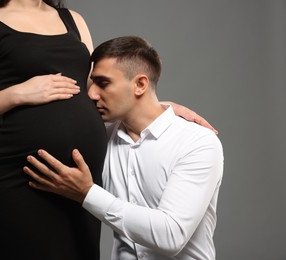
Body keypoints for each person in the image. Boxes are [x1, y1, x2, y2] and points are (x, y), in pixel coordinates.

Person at [0, 0, 108, 259]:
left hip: (80, 186)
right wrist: (18, 93)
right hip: (23, 185)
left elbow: (99, 94)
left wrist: (156, 107)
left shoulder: (73, 20)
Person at [23, 36, 224, 260]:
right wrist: (2, 127)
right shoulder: (101, 140)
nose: (91, 94)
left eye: (103, 83)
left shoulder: (197, 142)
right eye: (91, 84)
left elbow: (171, 235)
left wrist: (87, 193)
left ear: (140, 84)